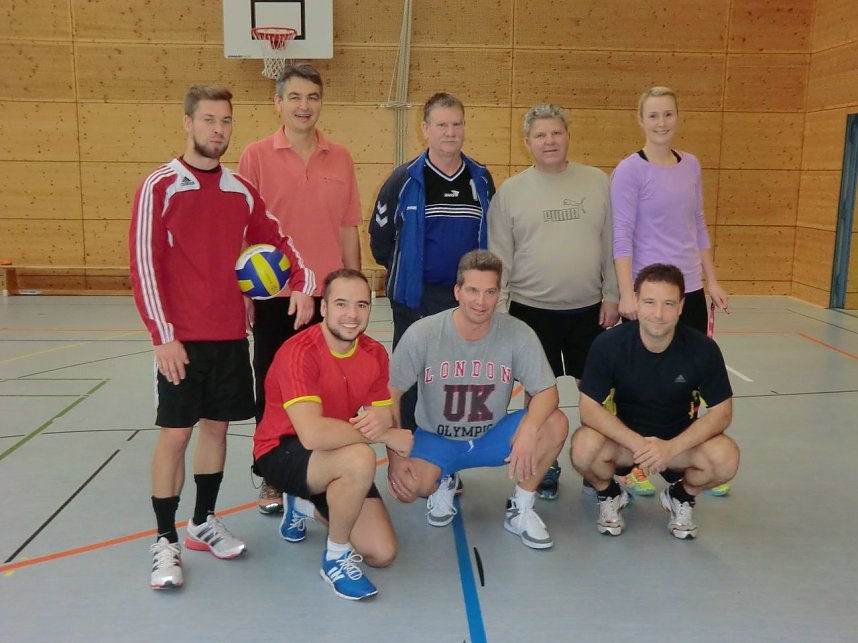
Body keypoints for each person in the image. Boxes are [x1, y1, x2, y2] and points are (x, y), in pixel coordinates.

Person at [129, 84, 315, 590]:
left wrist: (304, 283)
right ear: (187, 123)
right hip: (180, 341)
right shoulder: (160, 186)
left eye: (226, 121)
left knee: (215, 430)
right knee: (175, 435)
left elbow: (280, 238)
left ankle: (202, 522)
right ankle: (165, 539)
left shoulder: (239, 189)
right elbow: (144, 265)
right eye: (208, 120)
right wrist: (163, 336)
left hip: (231, 335)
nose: (218, 130)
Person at [239, 63, 363, 514]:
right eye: (294, 97)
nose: (303, 106)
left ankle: (324, 469)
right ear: (278, 103)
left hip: (329, 297)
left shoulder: (342, 157)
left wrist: (355, 289)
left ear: (321, 103)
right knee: (272, 385)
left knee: (330, 388)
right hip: (277, 295)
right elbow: (245, 229)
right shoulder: (255, 155)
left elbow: (350, 225)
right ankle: (272, 475)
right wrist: (246, 295)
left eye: (312, 97)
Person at [386, 250, 569, 550]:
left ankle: (521, 508)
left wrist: (528, 428)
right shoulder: (424, 333)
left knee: (555, 423)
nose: (480, 302)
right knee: (412, 486)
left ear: (499, 294)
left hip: (491, 437)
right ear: (457, 291)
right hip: (437, 438)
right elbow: (390, 394)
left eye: (489, 292)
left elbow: (547, 391)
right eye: (472, 290)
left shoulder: (517, 333)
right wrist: (395, 457)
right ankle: (443, 479)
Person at [252, 269, 413, 600]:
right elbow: (311, 435)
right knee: (360, 458)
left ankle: (302, 508)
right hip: (282, 450)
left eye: (361, 305)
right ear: (323, 308)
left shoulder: (374, 353)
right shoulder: (299, 352)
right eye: (341, 304)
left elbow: (382, 412)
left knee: (381, 552)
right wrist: (385, 437)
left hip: (336, 450)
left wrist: (381, 421)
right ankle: (336, 557)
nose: (352, 315)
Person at [488, 103, 619, 501]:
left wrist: (613, 292)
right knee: (538, 395)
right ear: (527, 142)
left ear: (568, 136)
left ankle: (596, 461)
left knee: (596, 392)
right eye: (540, 135)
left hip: (588, 309)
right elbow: (500, 255)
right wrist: (501, 307)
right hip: (531, 310)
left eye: (556, 133)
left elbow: (613, 243)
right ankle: (546, 461)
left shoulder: (598, 182)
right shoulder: (511, 192)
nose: (549, 141)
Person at [611, 85, 731, 497]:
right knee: (644, 380)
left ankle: (686, 460)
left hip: (690, 290)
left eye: (668, 114)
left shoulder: (691, 165)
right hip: (650, 293)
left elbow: (698, 224)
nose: (661, 123)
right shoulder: (630, 170)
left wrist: (711, 280)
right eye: (653, 116)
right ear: (639, 120)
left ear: (677, 117)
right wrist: (628, 292)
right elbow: (622, 235)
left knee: (691, 380)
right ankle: (638, 465)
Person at [570, 263, 739, 540]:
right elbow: (588, 409)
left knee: (726, 458)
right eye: (649, 302)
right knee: (583, 448)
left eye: (668, 304)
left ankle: (681, 496)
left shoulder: (703, 349)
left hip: (678, 445)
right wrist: (639, 445)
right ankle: (611, 494)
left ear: (682, 306)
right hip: (625, 444)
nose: (658, 314)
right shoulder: (608, 345)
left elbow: (722, 413)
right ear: (636, 301)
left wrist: (670, 448)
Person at [369, 92, 495, 432]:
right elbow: (380, 239)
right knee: (409, 378)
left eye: (456, 124)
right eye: (441, 125)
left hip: (465, 300)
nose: (450, 132)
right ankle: (408, 449)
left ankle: (447, 459)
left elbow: (493, 236)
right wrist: (405, 272)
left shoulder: (481, 179)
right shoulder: (404, 180)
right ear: (426, 129)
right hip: (415, 298)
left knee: (456, 379)